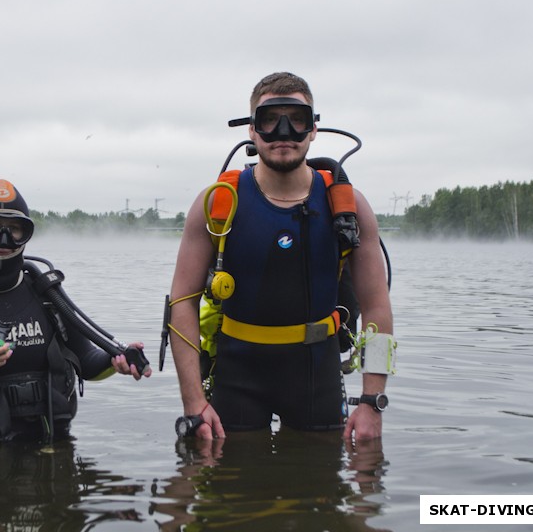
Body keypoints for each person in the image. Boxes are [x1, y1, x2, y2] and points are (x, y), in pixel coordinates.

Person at [168, 72, 393, 441]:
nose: (284, 132)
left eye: (297, 119)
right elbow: (181, 301)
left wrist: (371, 400)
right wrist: (193, 402)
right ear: (252, 131)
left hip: (316, 373)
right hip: (236, 374)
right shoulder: (217, 203)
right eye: (270, 119)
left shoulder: (348, 206)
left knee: (322, 489)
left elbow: (377, 306)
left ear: (314, 129)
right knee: (228, 490)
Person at [0, 179, 150, 442]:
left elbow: (87, 362)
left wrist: (116, 361)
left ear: (27, 233)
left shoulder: (47, 295)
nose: (3, 239)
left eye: (14, 229)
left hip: (51, 448)